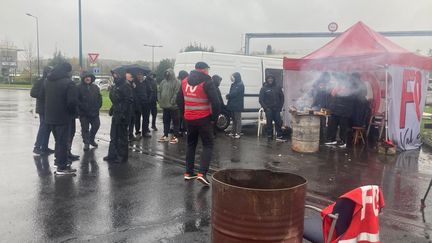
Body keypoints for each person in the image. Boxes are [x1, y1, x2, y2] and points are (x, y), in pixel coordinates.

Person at [177, 62, 220, 186]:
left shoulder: (184, 81)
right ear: (204, 70)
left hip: (189, 119)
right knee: (208, 144)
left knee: (191, 144)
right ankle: (202, 173)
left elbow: (179, 99)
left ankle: (188, 173)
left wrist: (184, 113)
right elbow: (216, 103)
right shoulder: (207, 81)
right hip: (203, 119)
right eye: (207, 69)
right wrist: (214, 119)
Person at [44, 62, 78, 175]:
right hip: (63, 117)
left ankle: (58, 162)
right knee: (63, 142)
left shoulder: (47, 81)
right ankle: (62, 167)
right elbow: (72, 102)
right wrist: (73, 113)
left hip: (50, 116)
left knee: (58, 141)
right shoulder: (69, 83)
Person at [103, 70, 133, 163]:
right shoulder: (116, 85)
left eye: (116, 74)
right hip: (117, 113)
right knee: (113, 135)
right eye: (114, 75)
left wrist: (123, 114)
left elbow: (128, 101)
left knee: (122, 136)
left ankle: (122, 156)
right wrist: (113, 108)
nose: (114, 76)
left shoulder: (126, 86)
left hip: (123, 115)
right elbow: (117, 100)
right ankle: (112, 154)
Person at [325, 73, 356, 148]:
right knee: (332, 126)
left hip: (344, 112)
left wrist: (339, 91)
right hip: (335, 110)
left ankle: (343, 142)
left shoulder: (350, 88)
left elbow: (349, 97)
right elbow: (332, 95)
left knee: (343, 127)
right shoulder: (337, 86)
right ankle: (332, 140)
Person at [30, 66, 54, 155]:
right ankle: (37, 147)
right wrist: (42, 95)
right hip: (42, 108)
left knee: (48, 128)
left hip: (49, 108)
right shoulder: (40, 82)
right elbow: (32, 93)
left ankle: (44, 147)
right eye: (50, 72)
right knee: (43, 127)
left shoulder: (50, 82)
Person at [78, 71, 102, 151]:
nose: (88, 78)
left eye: (89, 77)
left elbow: (99, 98)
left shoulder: (95, 87)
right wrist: (82, 108)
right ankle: (86, 143)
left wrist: (97, 107)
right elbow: (77, 100)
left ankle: (91, 139)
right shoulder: (78, 87)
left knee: (96, 125)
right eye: (86, 77)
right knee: (85, 128)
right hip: (83, 113)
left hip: (94, 112)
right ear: (83, 78)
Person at [259, 75, 285, 141]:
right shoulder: (264, 88)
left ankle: (279, 136)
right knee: (269, 123)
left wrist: (280, 107)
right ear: (266, 80)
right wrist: (265, 108)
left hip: (276, 109)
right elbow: (261, 100)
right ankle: (269, 136)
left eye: (271, 78)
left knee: (278, 122)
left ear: (273, 79)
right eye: (268, 79)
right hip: (268, 109)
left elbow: (282, 98)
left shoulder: (278, 87)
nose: (270, 80)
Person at [158, 68, 181, 144]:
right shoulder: (163, 82)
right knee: (166, 122)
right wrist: (160, 100)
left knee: (175, 122)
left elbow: (176, 92)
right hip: (165, 106)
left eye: (169, 73)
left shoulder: (177, 82)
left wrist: (172, 102)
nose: (167, 75)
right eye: (166, 73)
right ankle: (165, 135)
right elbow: (159, 91)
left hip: (174, 107)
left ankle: (175, 136)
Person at [226, 72, 244, 139]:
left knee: (238, 119)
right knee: (234, 120)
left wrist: (229, 95)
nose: (232, 78)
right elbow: (231, 93)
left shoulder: (240, 85)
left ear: (237, 77)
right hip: (232, 104)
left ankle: (238, 133)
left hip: (237, 105)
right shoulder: (233, 84)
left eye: (233, 77)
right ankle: (232, 132)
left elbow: (235, 93)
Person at [135, 71, 152, 138]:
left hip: (146, 103)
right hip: (137, 104)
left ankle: (145, 132)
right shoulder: (134, 82)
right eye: (138, 74)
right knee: (137, 118)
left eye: (141, 75)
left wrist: (148, 100)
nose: (139, 76)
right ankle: (137, 132)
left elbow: (150, 91)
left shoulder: (146, 82)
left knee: (146, 118)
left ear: (143, 75)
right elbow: (133, 92)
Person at [177, 70, 189, 136]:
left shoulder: (185, 82)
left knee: (183, 117)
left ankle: (183, 130)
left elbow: (180, 94)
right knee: (182, 117)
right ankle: (182, 130)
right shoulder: (185, 82)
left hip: (183, 103)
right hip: (183, 103)